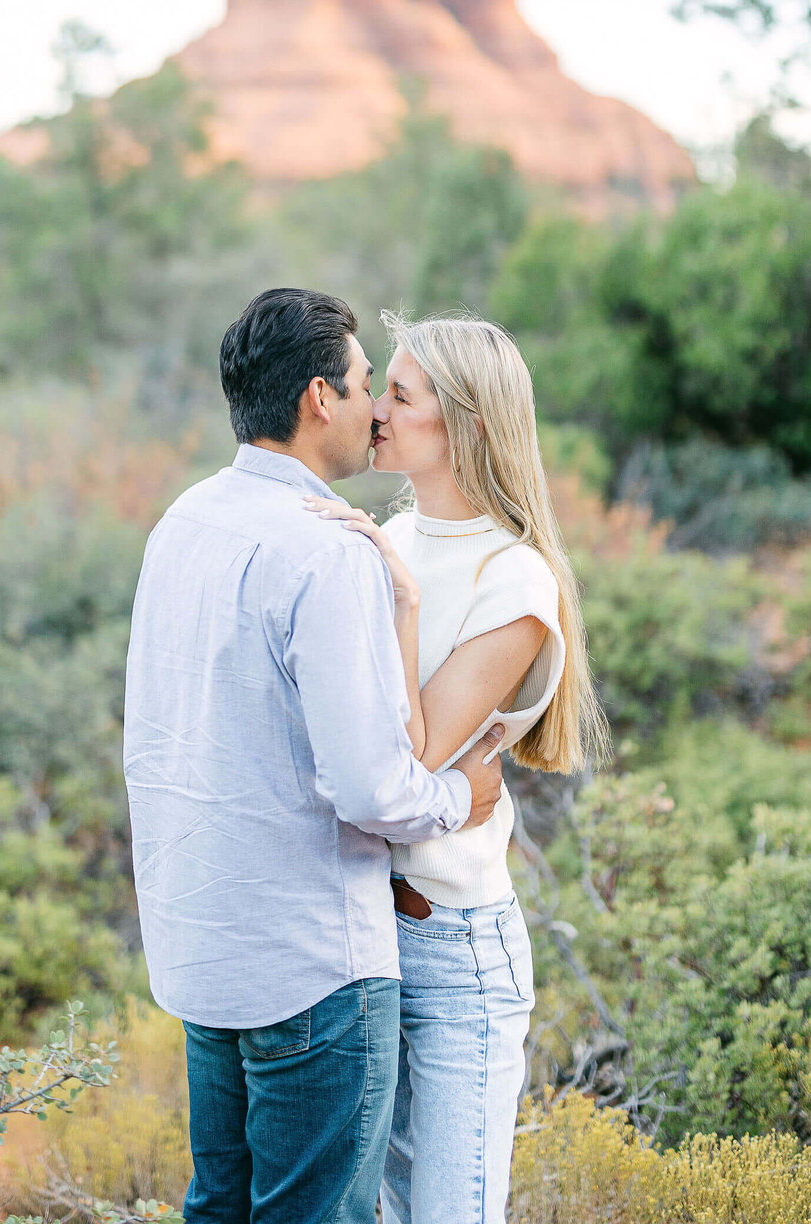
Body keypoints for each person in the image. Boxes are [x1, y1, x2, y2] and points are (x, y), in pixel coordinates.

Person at [122, 288, 506, 1224]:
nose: (379, 407)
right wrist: (464, 795)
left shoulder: (184, 522)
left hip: (202, 954)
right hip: (311, 971)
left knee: (220, 1207)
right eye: (368, 383)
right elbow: (372, 789)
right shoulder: (326, 551)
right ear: (317, 399)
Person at [305, 311, 609, 1224]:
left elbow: (413, 755)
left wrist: (394, 604)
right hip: (358, 932)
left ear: (467, 426)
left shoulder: (514, 580)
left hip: (453, 950)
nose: (377, 413)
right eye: (379, 390)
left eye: (399, 395)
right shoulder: (386, 536)